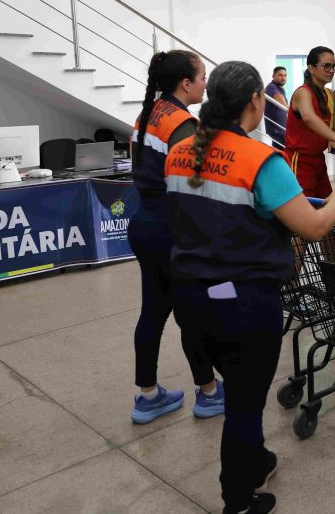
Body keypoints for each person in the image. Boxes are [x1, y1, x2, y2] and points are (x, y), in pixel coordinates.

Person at [165, 61, 335, 514]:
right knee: (246, 405)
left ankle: (257, 459)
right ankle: (238, 500)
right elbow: (311, 228)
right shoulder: (259, 161)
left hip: (191, 297)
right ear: (254, 100)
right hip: (244, 303)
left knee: (237, 383)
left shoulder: (180, 151)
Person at [128, 50, 225, 424]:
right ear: (186, 84)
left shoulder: (148, 112)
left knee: (153, 312)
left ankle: (148, 396)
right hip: (172, 230)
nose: (205, 85)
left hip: (145, 223)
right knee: (192, 314)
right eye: (202, 78)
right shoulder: (183, 125)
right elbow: (195, 187)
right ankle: (210, 393)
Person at [285, 46, 335, 197]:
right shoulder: (302, 93)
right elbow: (309, 118)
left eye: (333, 66)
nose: (331, 70)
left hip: (318, 160)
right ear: (311, 68)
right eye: (326, 66)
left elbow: (334, 128)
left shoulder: (329, 95)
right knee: (305, 211)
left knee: (325, 205)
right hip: (300, 161)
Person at [263, 67, 288, 150]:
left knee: (280, 151)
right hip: (277, 130)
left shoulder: (281, 88)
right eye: (280, 75)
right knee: (287, 152)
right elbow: (278, 97)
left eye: (285, 75)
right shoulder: (271, 87)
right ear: (273, 76)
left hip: (281, 129)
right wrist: (291, 112)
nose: (283, 78)